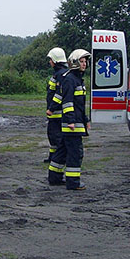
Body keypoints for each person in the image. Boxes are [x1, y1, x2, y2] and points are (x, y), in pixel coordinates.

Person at [48, 49, 91, 190]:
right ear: (74, 62)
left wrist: (86, 120)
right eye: (82, 61)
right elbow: (67, 102)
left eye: (85, 61)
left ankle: (54, 177)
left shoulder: (75, 79)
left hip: (76, 122)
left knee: (62, 151)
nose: (84, 64)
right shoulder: (70, 79)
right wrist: (71, 121)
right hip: (72, 124)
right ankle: (73, 182)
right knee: (75, 153)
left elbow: (80, 105)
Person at [44, 47, 68, 164]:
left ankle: (58, 158)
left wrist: (51, 109)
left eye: (50, 59)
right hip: (54, 113)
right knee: (52, 136)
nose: (49, 62)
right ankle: (52, 157)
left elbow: (59, 94)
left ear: (55, 60)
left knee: (56, 136)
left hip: (57, 113)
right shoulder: (58, 73)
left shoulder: (61, 75)